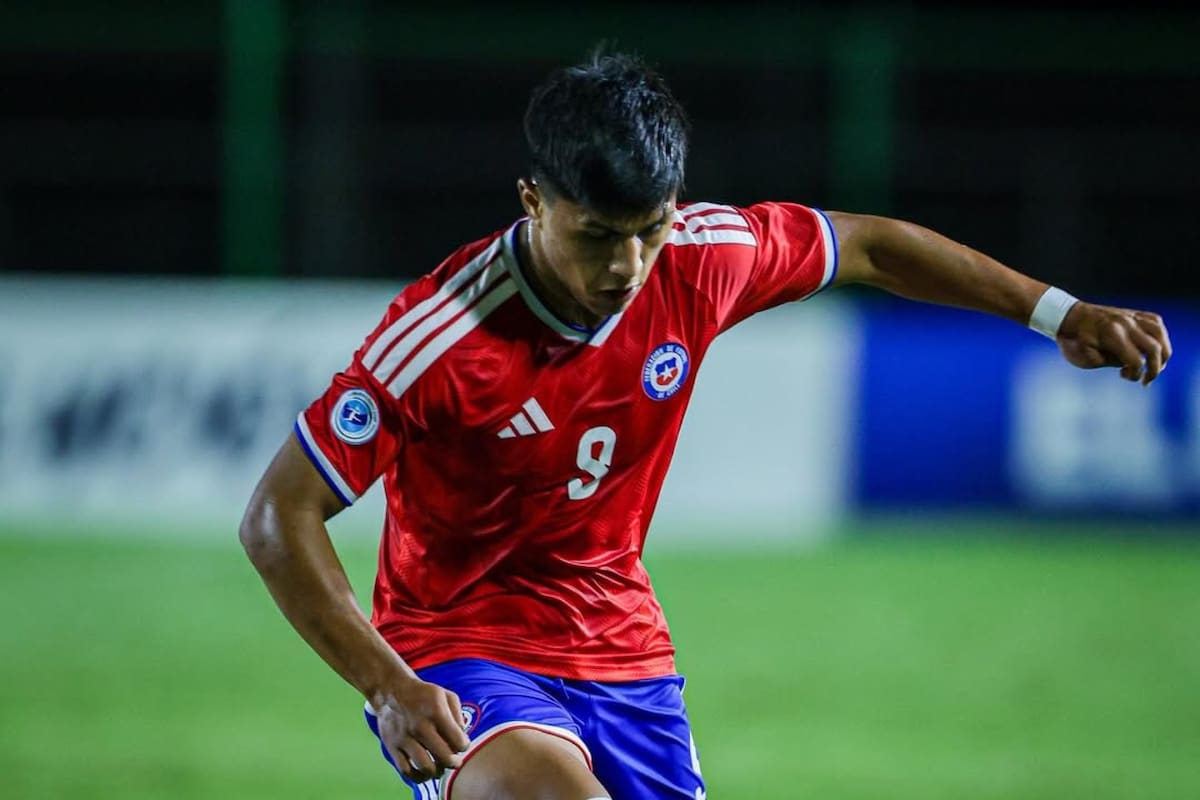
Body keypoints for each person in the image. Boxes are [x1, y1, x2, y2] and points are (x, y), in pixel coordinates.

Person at [239, 50, 1172, 800]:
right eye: (596, 236)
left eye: (647, 229)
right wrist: (388, 685)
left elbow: (874, 248)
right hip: (458, 648)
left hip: (623, 648)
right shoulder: (440, 338)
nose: (626, 267)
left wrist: (1059, 313)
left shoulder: (701, 256)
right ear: (534, 199)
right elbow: (279, 516)